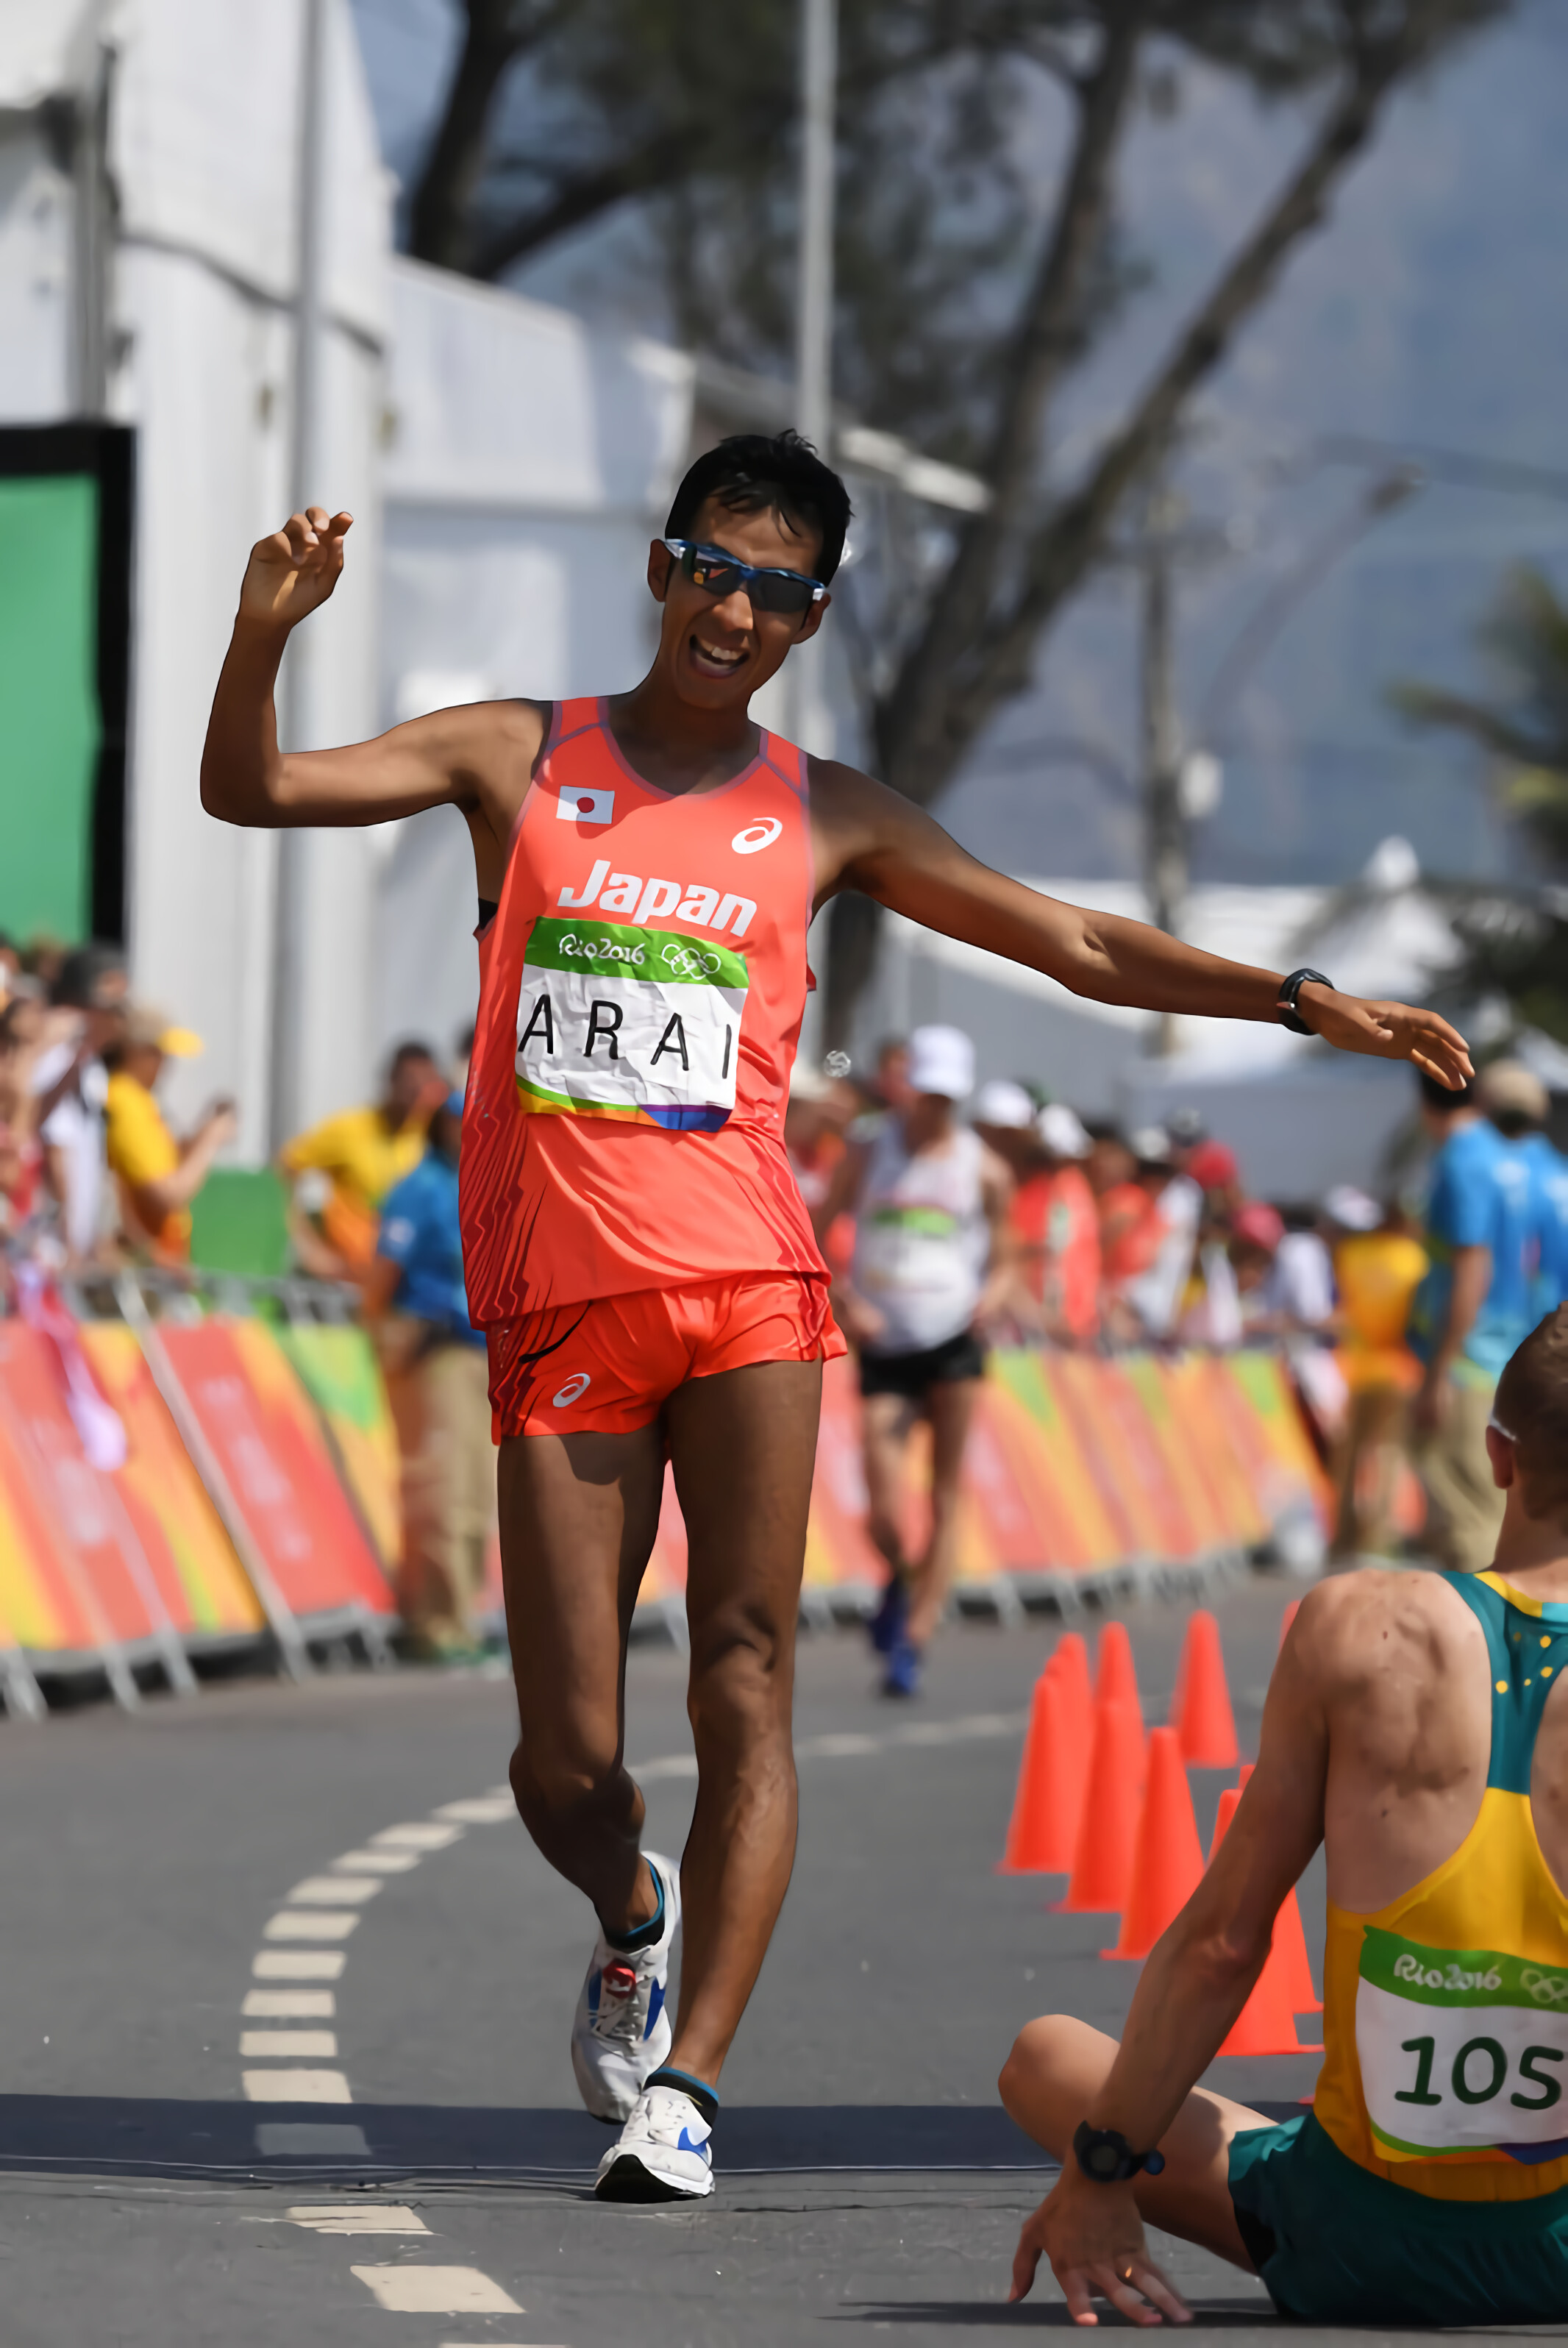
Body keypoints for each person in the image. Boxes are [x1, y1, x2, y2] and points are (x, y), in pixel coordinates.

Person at [199, 428, 1468, 2205]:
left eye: (780, 588)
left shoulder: (827, 811)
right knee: (567, 1761)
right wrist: (262, 630)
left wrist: (1298, 998)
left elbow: (1073, 947)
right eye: (714, 568)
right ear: (661, 568)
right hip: (562, 1307)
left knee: (746, 1677)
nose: (737, 609)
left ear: (810, 617)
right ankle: (631, 1911)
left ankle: (692, 2086)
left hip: (750, 1296)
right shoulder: (517, 753)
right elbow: (246, 793)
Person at [999, 1306, 1568, 2330]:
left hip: (1354, 2238)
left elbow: (1223, 1944)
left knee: (1045, 2055)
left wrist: (1099, 2175)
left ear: (1496, 1456)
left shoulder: (1359, 1626)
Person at [817, 1025, 1013, 1697]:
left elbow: (1009, 1256)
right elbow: (815, 1232)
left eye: (947, 1099)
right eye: (927, 1095)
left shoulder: (983, 1166)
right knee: (883, 1502)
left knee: (945, 1491)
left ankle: (915, 1637)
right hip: (885, 1337)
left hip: (953, 1335)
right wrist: (846, 1300)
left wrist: (993, 1297)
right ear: (907, 1091)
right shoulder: (868, 1153)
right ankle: (898, 1579)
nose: (935, 1110)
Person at [363, 1090, 496, 1659]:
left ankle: (463, 1617)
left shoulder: (487, 1187)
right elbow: (381, 1276)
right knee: (441, 1490)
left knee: (478, 1492)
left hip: (482, 1353)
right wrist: (388, 1337)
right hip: (436, 1351)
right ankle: (435, 1623)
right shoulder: (420, 1189)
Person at [1408, 1066, 1543, 1573]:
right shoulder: (1507, 1162)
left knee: (1467, 1521)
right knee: (1489, 1511)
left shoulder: (1462, 1160)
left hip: (1468, 1361)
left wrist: (1438, 1372)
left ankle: (1490, 1650)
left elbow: (1472, 1266)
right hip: (1504, 1354)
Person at [278, 1039, 446, 1281]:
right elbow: (283, 1169)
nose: (417, 1089)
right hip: (351, 1274)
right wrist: (308, 1245)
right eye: (409, 1079)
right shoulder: (351, 1128)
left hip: (407, 1278)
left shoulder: (433, 1136)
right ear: (390, 1079)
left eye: (426, 1081)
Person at [1327, 1187, 1428, 1562]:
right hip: (1399, 1368)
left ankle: (1341, 1537)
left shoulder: (1352, 1254)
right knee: (1387, 1454)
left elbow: (1344, 1304)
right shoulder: (1414, 1259)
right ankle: (1377, 1540)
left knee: (1349, 1456)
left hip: (1354, 1366)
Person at [103, 1007, 238, 1264]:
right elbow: (168, 1194)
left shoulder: (139, 1100)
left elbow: (164, 1165)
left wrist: (200, 1136)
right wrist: (211, 1139)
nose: (166, 1064)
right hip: (139, 1263)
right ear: (135, 1051)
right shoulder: (124, 1102)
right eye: (159, 1054)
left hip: (156, 1259)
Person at [29, 944, 127, 1264]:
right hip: (48, 1245)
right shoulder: (56, 1057)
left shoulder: (91, 1064)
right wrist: (70, 1238)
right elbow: (53, 1145)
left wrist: (97, 1236)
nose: (121, 1018)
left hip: (76, 1244)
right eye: (113, 1006)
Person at [1013, 1103, 1100, 1346]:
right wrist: (1042, 1317)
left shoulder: (1075, 1184)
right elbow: (1018, 1254)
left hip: (1077, 1326)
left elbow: (1081, 1254)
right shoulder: (1029, 1188)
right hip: (1040, 1326)